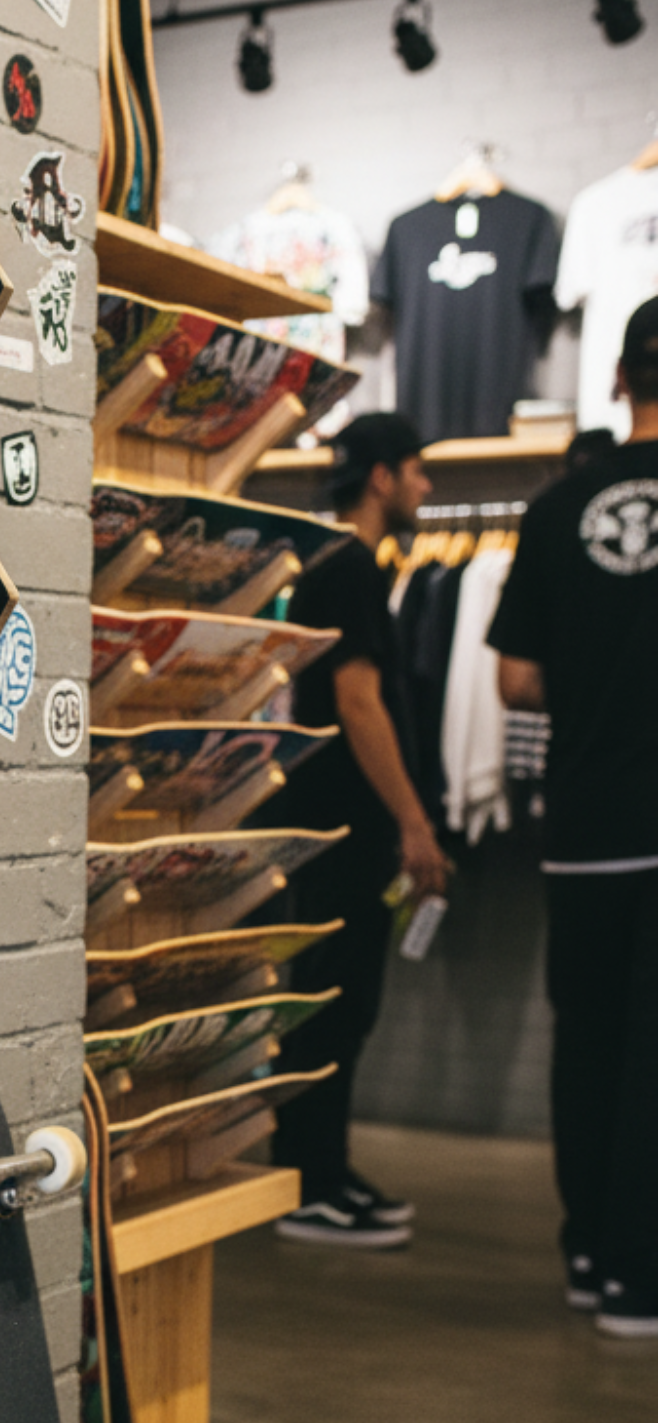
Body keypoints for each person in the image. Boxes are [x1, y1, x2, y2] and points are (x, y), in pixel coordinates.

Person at [487, 296, 658, 1339]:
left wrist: (595, 687)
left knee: (588, 1043)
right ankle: (643, 1277)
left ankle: (590, 1252)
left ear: (621, 378)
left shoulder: (555, 509)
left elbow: (513, 681)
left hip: (585, 825)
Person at [271, 412, 452, 1246]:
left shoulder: (336, 565)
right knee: (331, 1005)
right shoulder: (350, 570)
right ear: (381, 476)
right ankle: (307, 1185)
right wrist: (415, 822)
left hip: (339, 828)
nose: (425, 486)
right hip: (341, 830)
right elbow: (358, 702)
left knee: (344, 1006)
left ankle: (327, 1172)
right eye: (416, 469)